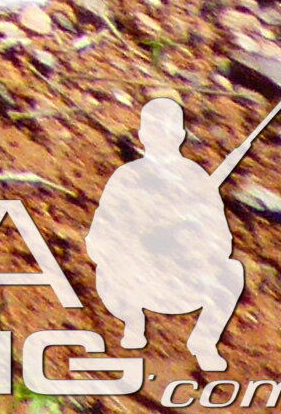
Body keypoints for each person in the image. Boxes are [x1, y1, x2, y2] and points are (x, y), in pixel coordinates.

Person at [85, 95, 249, 373]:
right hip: (132, 280)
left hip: (178, 279)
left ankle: (203, 342)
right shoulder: (127, 177)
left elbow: (222, 243)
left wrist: (192, 234)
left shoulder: (196, 179)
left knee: (231, 271)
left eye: (169, 129)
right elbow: (98, 237)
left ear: (181, 135)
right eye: (154, 128)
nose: (162, 136)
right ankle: (132, 324)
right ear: (143, 134)